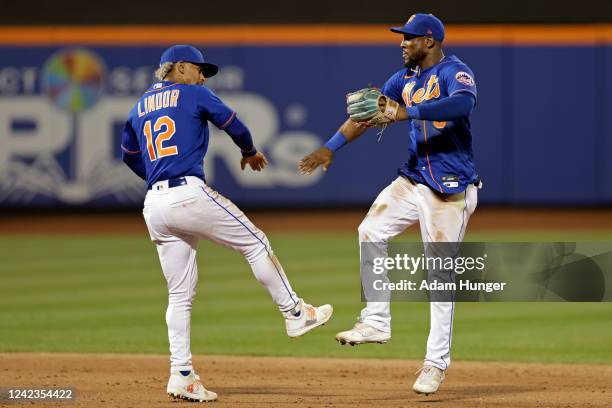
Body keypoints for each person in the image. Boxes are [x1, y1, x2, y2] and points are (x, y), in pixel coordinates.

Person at [121, 44, 333, 403]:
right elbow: (235, 124)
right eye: (199, 69)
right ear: (182, 68)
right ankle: (296, 312)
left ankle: (182, 375)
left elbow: (128, 155)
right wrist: (249, 152)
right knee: (256, 243)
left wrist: (157, 177)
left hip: (154, 202)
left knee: (179, 296)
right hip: (188, 193)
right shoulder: (193, 93)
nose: (203, 76)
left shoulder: (139, 105)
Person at [299, 14, 479, 396]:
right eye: (402, 37)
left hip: (450, 188)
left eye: (409, 38)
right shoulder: (403, 81)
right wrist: (329, 149)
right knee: (370, 229)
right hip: (413, 180)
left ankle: (435, 363)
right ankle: (377, 321)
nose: (402, 43)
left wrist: (407, 112)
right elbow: (365, 115)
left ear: (429, 41)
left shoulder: (454, 72)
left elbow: (462, 105)